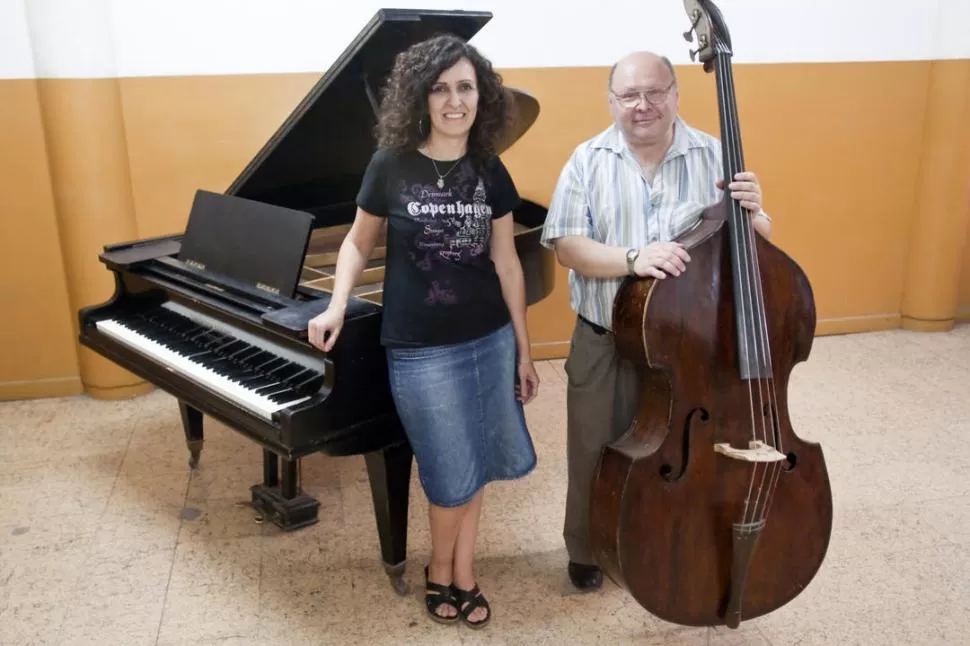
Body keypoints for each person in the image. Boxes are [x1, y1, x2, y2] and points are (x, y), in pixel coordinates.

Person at [307, 34, 540, 628]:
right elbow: (359, 244)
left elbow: (509, 263)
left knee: (479, 459)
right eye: (440, 88)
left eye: (465, 87)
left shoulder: (489, 167)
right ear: (421, 96)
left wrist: (524, 350)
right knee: (446, 467)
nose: (454, 100)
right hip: (419, 349)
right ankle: (440, 570)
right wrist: (337, 306)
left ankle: (465, 572)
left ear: (481, 96)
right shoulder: (391, 164)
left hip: (489, 339)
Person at [540, 51, 772, 591]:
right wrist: (632, 258)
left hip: (693, 345)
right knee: (594, 448)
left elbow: (750, 242)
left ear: (675, 93)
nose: (642, 106)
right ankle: (589, 548)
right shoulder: (587, 159)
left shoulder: (716, 155)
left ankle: (670, 537)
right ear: (612, 101)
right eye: (629, 96)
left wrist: (757, 215)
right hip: (607, 336)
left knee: (680, 452)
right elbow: (569, 247)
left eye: (655, 92)